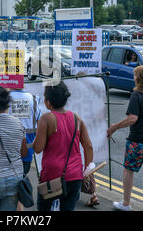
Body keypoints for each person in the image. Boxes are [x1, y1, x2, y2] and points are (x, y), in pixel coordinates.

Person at [107, 65, 143, 211]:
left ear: (140, 79)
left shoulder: (137, 95)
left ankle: (126, 203)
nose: (133, 78)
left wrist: (114, 127)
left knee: (129, 169)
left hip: (138, 141)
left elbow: (132, 118)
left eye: (135, 76)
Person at [33, 81, 93, 211]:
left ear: (48, 101)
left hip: (51, 175)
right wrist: (87, 171)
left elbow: (38, 149)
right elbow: (88, 146)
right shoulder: (76, 118)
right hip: (75, 175)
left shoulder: (46, 119)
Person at [8, 87, 41, 211]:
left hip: (8, 149)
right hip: (27, 150)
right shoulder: (33, 98)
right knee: (19, 181)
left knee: (11, 185)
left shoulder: (4, 98)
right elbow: (39, 121)